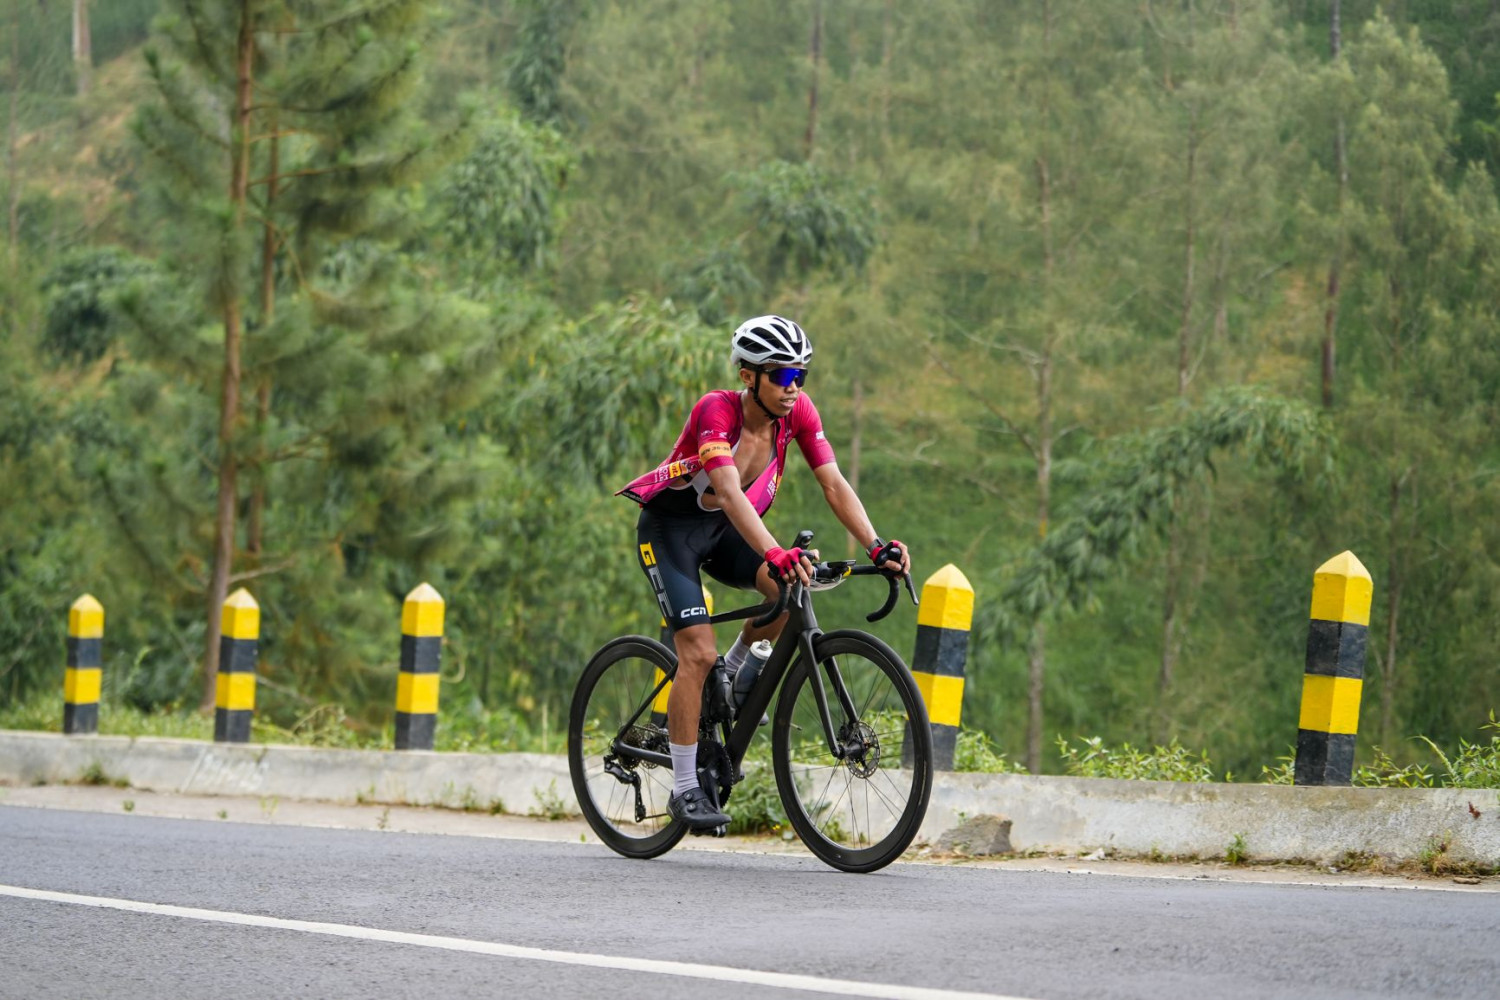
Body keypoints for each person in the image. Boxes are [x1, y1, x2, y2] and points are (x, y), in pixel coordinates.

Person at [617, 315, 910, 830]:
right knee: (696, 653)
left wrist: (876, 544)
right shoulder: (716, 410)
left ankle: (731, 673)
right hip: (671, 533)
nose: (794, 387)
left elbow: (834, 484)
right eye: (783, 375)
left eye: (801, 376)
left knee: (788, 588)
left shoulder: (798, 413)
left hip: (725, 531)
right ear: (749, 376)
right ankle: (685, 788)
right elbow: (729, 492)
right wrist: (774, 550)